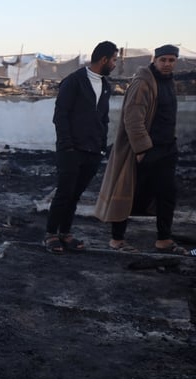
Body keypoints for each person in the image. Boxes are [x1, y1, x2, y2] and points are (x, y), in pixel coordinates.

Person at [94, 44, 193, 256]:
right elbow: (133, 119)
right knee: (129, 192)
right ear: (154, 60)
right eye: (163, 60)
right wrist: (141, 149)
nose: (167, 64)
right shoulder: (143, 83)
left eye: (171, 60)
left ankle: (164, 239)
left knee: (167, 194)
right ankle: (117, 239)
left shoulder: (168, 82)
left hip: (166, 148)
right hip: (145, 150)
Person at [43, 41, 118, 254]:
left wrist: (101, 147)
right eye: (113, 60)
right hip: (71, 150)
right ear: (103, 59)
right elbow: (61, 116)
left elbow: (103, 119)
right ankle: (50, 234)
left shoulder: (105, 86)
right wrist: (66, 146)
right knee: (64, 193)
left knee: (75, 195)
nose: (114, 64)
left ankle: (65, 234)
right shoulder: (74, 82)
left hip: (93, 151)